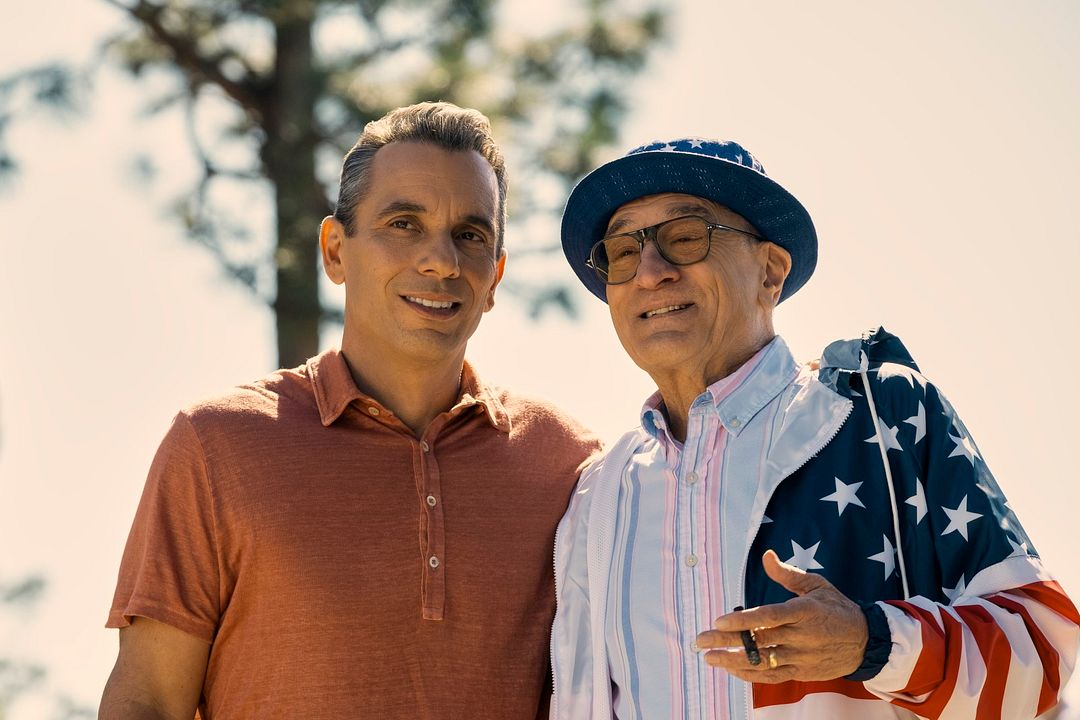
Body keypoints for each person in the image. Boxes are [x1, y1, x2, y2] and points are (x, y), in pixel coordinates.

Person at [99, 102, 600, 720]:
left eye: (470, 235)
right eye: (403, 224)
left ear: (494, 276)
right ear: (336, 250)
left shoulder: (568, 463)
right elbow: (146, 702)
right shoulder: (215, 447)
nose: (442, 261)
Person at [549, 137, 1079, 719]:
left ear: (770, 273)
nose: (650, 271)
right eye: (622, 251)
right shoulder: (596, 498)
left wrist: (869, 642)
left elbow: (1045, 653)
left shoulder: (884, 412)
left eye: (684, 237)